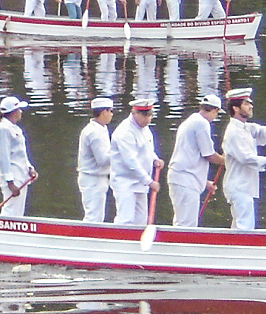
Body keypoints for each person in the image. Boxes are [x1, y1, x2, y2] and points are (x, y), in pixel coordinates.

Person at [220, 88, 266, 230]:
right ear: (236, 108)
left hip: (245, 185)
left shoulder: (245, 127)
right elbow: (246, 158)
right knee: (244, 227)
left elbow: (258, 131)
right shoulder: (233, 132)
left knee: (241, 226)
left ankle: (234, 243)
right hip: (239, 186)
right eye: (246, 104)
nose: (250, 106)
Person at [166, 94, 226, 227]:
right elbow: (208, 154)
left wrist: (203, 182)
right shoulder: (202, 123)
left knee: (184, 222)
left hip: (183, 178)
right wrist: (226, 160)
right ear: (215, 110)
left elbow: (191, 154)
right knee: (186, 225)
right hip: (185, 181)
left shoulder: (191, 121)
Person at [111, 97, 162, 226]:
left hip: (141, 183)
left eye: (150, 115)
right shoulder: (125, 131)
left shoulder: (145, 128)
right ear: (134, 113)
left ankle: (139, 239)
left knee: (141, 221)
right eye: (144, 115)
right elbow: (130, 161)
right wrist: (149, 181)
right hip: (125, 183)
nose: (147, 119)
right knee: (125, 220)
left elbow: (146, 148)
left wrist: (155, 159)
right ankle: (118, 238)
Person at [0, 96, 36, 216]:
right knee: (11, 210)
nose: (21, 112)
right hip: (13, 177)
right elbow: (3, 157)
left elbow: (20, 152)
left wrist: (29, 168)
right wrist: (10, 182)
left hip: (21, 174)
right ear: (14, 112)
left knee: (18, 211)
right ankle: (4, 228)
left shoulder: (15, 128)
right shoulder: (3, 129)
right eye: (19, 109)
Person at [76, 97, 114, 222]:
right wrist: (120, 153)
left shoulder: (101, 128)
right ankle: (86, 235)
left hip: (98, 178)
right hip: (92, 178)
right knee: (93, 217)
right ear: (104, 112)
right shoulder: (94, 132)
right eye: (110, 111)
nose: (111, 114)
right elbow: (102, 160)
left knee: (97, 216)